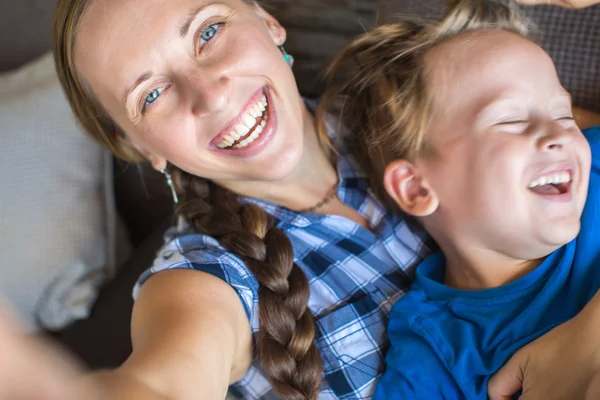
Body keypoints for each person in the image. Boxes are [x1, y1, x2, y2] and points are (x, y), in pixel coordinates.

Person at [0, 0, 599, 399]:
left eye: (208, 32)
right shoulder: (199, 281)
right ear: (138, 147)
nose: (209, 94)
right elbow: (164, 382)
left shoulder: (415, 92)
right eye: (152, 95)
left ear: (267, 21)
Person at [318, 0, 600, 399]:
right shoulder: (434, 347)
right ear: (416, 188)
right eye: (511, 120)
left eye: (564, 113)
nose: (558, 134)